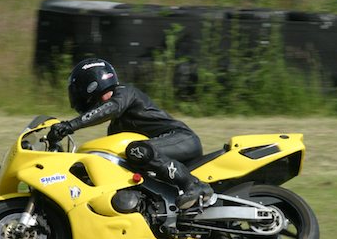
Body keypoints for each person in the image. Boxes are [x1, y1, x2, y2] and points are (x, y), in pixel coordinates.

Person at [47, 58, 213, 209]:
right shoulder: (116, 127)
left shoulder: (125, 92)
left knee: (137, 150)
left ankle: (193, 185)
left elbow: (110, 108)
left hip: (181, 139)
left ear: (90, 85)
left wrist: (70, 125)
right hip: (162, 149)